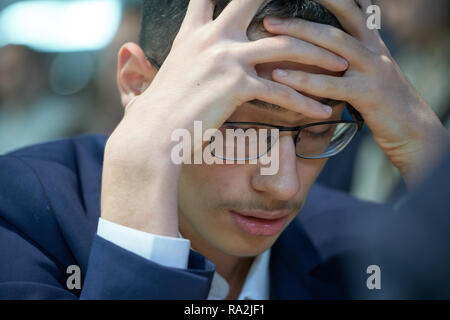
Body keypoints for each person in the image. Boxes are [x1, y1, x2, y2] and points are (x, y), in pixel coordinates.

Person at [0, 0, 448, 299]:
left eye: (316, 132)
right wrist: (139, 185)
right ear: (137, 82)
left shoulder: (361, 244)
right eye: (239, 129)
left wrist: (426, 147)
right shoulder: (18, 215)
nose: (282, 184)